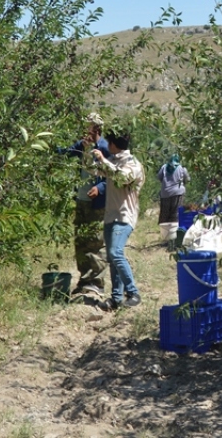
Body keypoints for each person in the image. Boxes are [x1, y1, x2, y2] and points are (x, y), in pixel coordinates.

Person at [91, 130, 145, 310]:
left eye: (109, 142)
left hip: (124, 215)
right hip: (111, 215)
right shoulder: (113, 161)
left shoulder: (133, 164)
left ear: (114, 144)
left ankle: (133, 292)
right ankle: (116, 298)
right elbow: (93, 169)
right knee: (112, 258)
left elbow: (121, 177)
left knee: (115, 253)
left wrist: (103, 160)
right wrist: (87, 152)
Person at [58, 113, 109, 296]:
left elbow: (113, 175)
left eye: (87, 127)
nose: (84, 132)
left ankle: (97, 282)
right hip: (81, 201)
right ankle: (84, 279)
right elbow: (66, 152)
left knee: (95, 242)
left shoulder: (104, 148)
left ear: (95, 129)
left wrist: (100, 188)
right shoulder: (83, 146)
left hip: (96, 204)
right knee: (80, 241)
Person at [155, 153, 189, 227]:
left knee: (165, 212)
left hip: (165, 193)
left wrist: (166, 184)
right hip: (178, 193)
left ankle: (164, 229)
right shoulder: (182, 168)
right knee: (176, 212)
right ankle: (174, 230)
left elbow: (159, 177)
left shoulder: (164, 167)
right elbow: (187, 179)